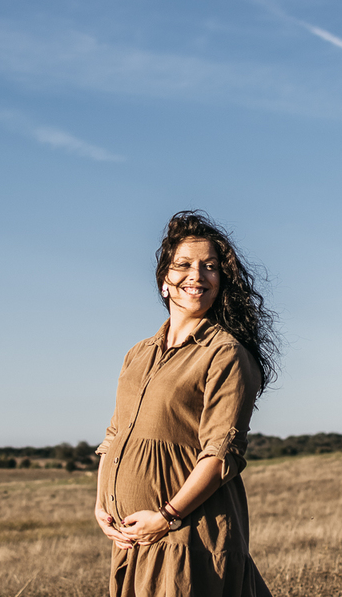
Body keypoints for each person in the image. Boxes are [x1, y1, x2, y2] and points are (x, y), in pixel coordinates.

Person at [94, 210, 280, 597]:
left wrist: (165, 517)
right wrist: (102, 504)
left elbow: (221, 453)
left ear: (220, 282)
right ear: (165, 281)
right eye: (183, 265)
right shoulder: (138, 354)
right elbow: (114, 436)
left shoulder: (225, 353)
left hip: (187, 536)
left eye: (209, 267)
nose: (196, 275)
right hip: (133, 537)